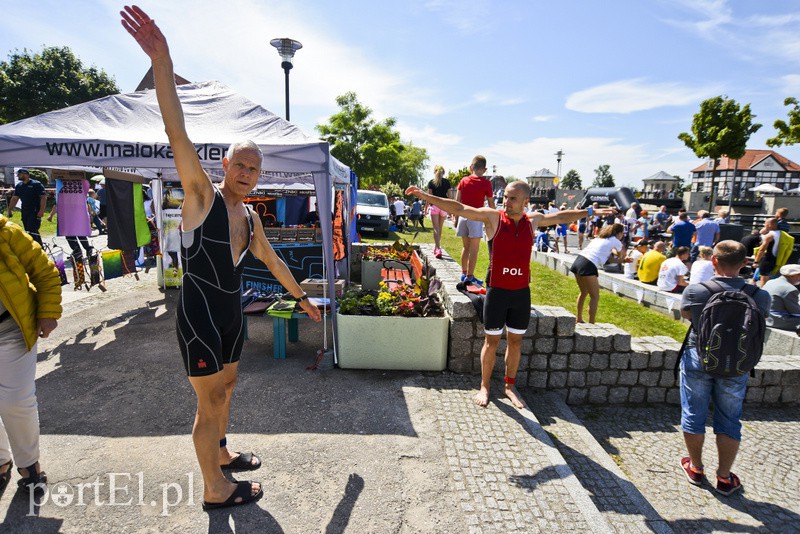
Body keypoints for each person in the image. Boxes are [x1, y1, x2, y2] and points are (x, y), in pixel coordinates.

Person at [121, 5, 322, 511]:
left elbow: (275, 263)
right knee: (208, 399)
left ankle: (222, 453)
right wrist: (162, 62)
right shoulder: (201, 197)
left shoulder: (251, 219)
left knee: (228, 387)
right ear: (225, 164)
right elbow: (177, 134)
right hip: (198, 315)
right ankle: (214, 488)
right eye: (241, 164)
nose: (248, 173)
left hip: (230, 314)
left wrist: (302, 299)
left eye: (255, 168)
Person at [404, 181, 609, 409]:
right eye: (506, 197)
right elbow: (459, 209)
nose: (506, 202)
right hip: (497, 292)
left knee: (515, 341)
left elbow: (562, 217)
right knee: (491, 341)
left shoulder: (534, 221)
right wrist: (425, 195)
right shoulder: (494, 218)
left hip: (521, 293)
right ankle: (484, 385)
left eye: (512, 198)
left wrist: (588, 211)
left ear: (525, 202)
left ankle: (510, 386)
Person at [679, 240, 770, 496]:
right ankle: (724, 477)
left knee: (693, 413)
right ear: (744, 264)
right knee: (730, 419)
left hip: (699, 356)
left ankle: (695, 468)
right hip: (738, 362)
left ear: (714, 261)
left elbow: (687, 316)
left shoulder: (697, 291)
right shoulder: (759, 295)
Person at [0, 213, 62, 498]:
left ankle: (29, 464)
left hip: (11, 328)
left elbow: (45, 271)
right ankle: (2, 460)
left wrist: (48, 312)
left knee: (15, 400)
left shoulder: (7, 232)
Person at [570, 223, 629, 323]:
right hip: (588, 265)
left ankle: (578, 318)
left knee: (584, 292)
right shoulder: (616, 241)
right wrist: (622, 257)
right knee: (595, 296)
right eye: (622, 233)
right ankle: (591, 324)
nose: (623, 235)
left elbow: (609, 259)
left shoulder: (599, 238)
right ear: (619, 233)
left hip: (578, 261)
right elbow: (620, 255)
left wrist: (622, 261)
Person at [454, 156, 495, 285]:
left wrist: (456, 218)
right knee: (474, 249)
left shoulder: (463, 181)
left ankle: (464, 273)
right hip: (476, 217)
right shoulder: (486, 183)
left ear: (471, 167)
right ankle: (470, 277)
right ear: (485, 169)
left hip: (462, 216)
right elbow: (491, 204)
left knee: (465, 247)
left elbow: (457, 201)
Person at [7, 169, 47, 246]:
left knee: (33, 230)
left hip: (35, 210)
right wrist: (9, 210)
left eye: (19, 174)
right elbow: (15, 198)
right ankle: (34, 249)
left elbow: (43, 197)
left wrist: (41, 210)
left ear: (26, 174)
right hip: (25, 210)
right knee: (28, 231)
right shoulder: (19, 186)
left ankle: (39, 249)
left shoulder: (36, 184)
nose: (17, 176)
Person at [763, 264, 800, 332]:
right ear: (792, 275)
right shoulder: (790, 289)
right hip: (776, 320)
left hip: (764, 317)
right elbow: (796, 312)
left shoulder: (770, 282)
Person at [427, 165, 451, 259]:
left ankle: (438, 248)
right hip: (444, 206)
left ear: (434, 172)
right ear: (443, 172)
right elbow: (450, 197)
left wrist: (425, 209)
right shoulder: (447, 182)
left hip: (435, 206)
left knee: (436, 228)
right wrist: (450, 209)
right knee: (440, 228)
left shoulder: (431, 182)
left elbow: (428, 197)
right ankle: (437, 247)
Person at [754, 217, 781, 287]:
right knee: (769, 278)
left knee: (763, 279)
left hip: (767, 259)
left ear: (769, 225)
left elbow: (762, 250)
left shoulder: (769, 236)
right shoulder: (780, 233)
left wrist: (756, 261)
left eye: (765, 223)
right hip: (776, 258)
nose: (764, 224)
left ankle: (762, 295)